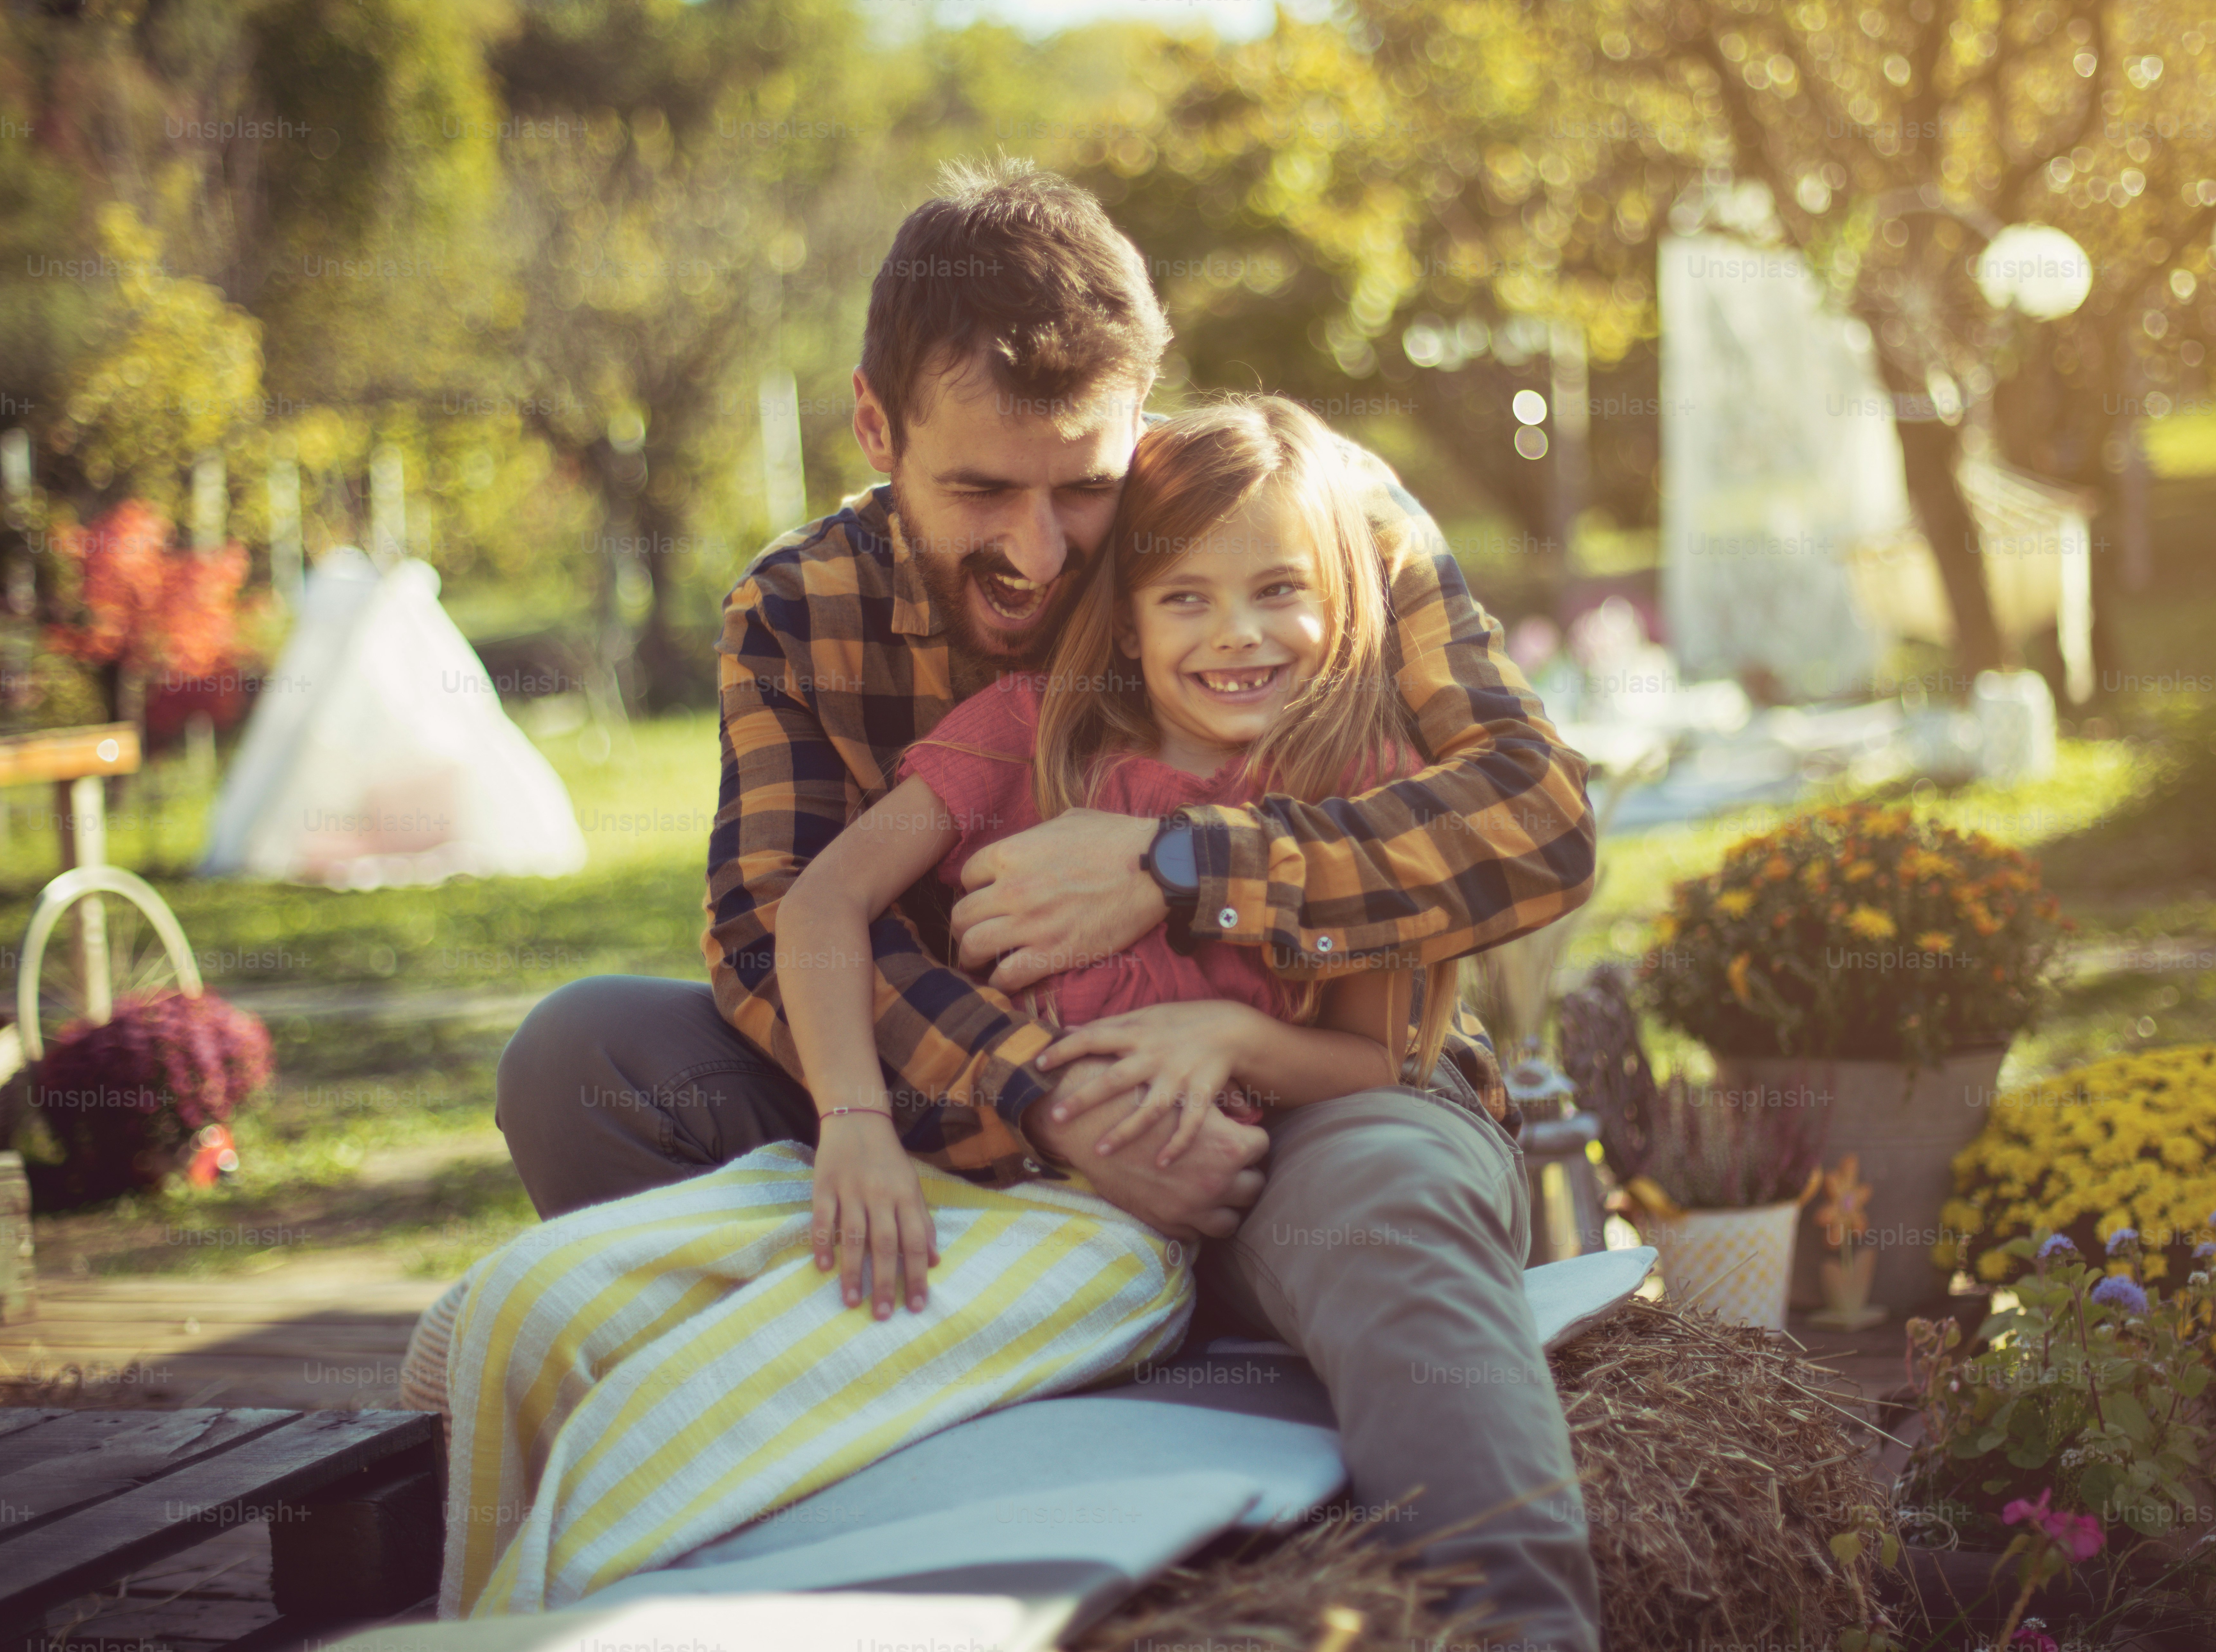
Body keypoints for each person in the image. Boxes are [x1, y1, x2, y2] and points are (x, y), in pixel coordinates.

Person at [494, 159, 1602, 1647]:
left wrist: (1185, 867)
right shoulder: (799, 607)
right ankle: (847, 1429)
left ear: (1140, 411)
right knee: (587, 1060)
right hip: (978, 1146)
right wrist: (1046, 1101)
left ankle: (1512, 1623)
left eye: (1084, 487)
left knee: (1396, 1192)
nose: (1035, 549)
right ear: (875, 426)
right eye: (977, 491)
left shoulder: (1307, 524)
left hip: (1298, 1103)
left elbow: (1534, 819)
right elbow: (778, 925)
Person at [781, 398, 1457, 1320]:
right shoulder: (1028, 733)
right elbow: (822, 903)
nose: (1236, 633)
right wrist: (853, 1123)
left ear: (1336, 601)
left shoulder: (1356, 785)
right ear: (1130, 624)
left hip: (1139, 1242)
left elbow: (1379, 1060)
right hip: (979, 1168)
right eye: (1187, 597)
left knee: (854, 1340)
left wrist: (1231, 1038)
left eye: (1278, 590)